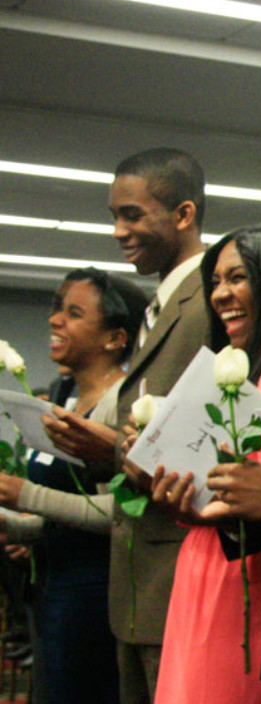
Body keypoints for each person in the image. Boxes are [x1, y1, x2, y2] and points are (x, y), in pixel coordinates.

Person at [45, 147, 212, 704]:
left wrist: (114, 444)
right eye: (115, 215)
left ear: (184, 215)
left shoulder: (208, 300)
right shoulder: (159, 307)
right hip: (136, 587)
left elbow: (208, 448)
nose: (119, 230)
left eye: (133, 215)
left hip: (175, 578)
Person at [147, 223, 261, 704]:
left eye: (238, 278)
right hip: (204, 563)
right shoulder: (235, 367)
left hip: (246, 574)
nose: (220, 294)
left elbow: (260, 494)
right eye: (215, 281)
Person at [0, 267, 147, 704]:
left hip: (95, 596)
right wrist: (15, 524)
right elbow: (57, 521)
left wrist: (25, 495)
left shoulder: (121, 406)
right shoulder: (65, 400)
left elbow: (117, 512)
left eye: (74, 313)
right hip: (54, 588)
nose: (54, 320)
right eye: (56, 309)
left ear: (115, 338)